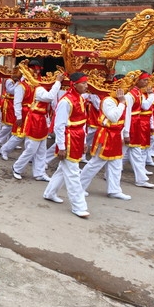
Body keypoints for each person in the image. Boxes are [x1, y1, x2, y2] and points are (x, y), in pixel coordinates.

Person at [43, 72, 90, 218]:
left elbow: (82, 123)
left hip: (78, 138)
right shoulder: (66, 101)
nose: (86, 86)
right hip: (69, 139)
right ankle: (79, 206)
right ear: (74, 84)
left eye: (86, 83)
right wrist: (61, 147)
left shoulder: (81, 99)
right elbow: (59, 126)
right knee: (73, 174)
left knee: (63, 170)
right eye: (83, 83)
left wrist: (84, 141)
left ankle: (50, 193)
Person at [80, 87, 132, 200]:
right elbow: (113, 117)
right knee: (95, 163)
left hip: (116, 136)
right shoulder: (108, 101)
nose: (125, 91)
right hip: (106, 135)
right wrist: (122, 103)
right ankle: (79, 187)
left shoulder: (121, 101)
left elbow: (124, 120)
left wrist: (124, 134)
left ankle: (114, 190)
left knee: (116, 164)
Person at [11, 72, 63, 181]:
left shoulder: (44, 88)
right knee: (31, 149)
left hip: (42, 120)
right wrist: (58, 83)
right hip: (35, 121)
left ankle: (39, 173)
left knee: (41, 150)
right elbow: (49, 97)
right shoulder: (39, 89)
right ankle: (17, 168)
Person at [123, 71, 154, 188]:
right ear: (137, 80)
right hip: (130, 125)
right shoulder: (130, 95)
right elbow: (127, 114)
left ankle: (141, 179)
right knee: (121, 153)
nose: (146, 82)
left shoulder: (138, 93)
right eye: (144, 80)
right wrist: (126, 132)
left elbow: (145, 106)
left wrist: (151, 95)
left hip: (135, 124)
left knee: (134, 152)